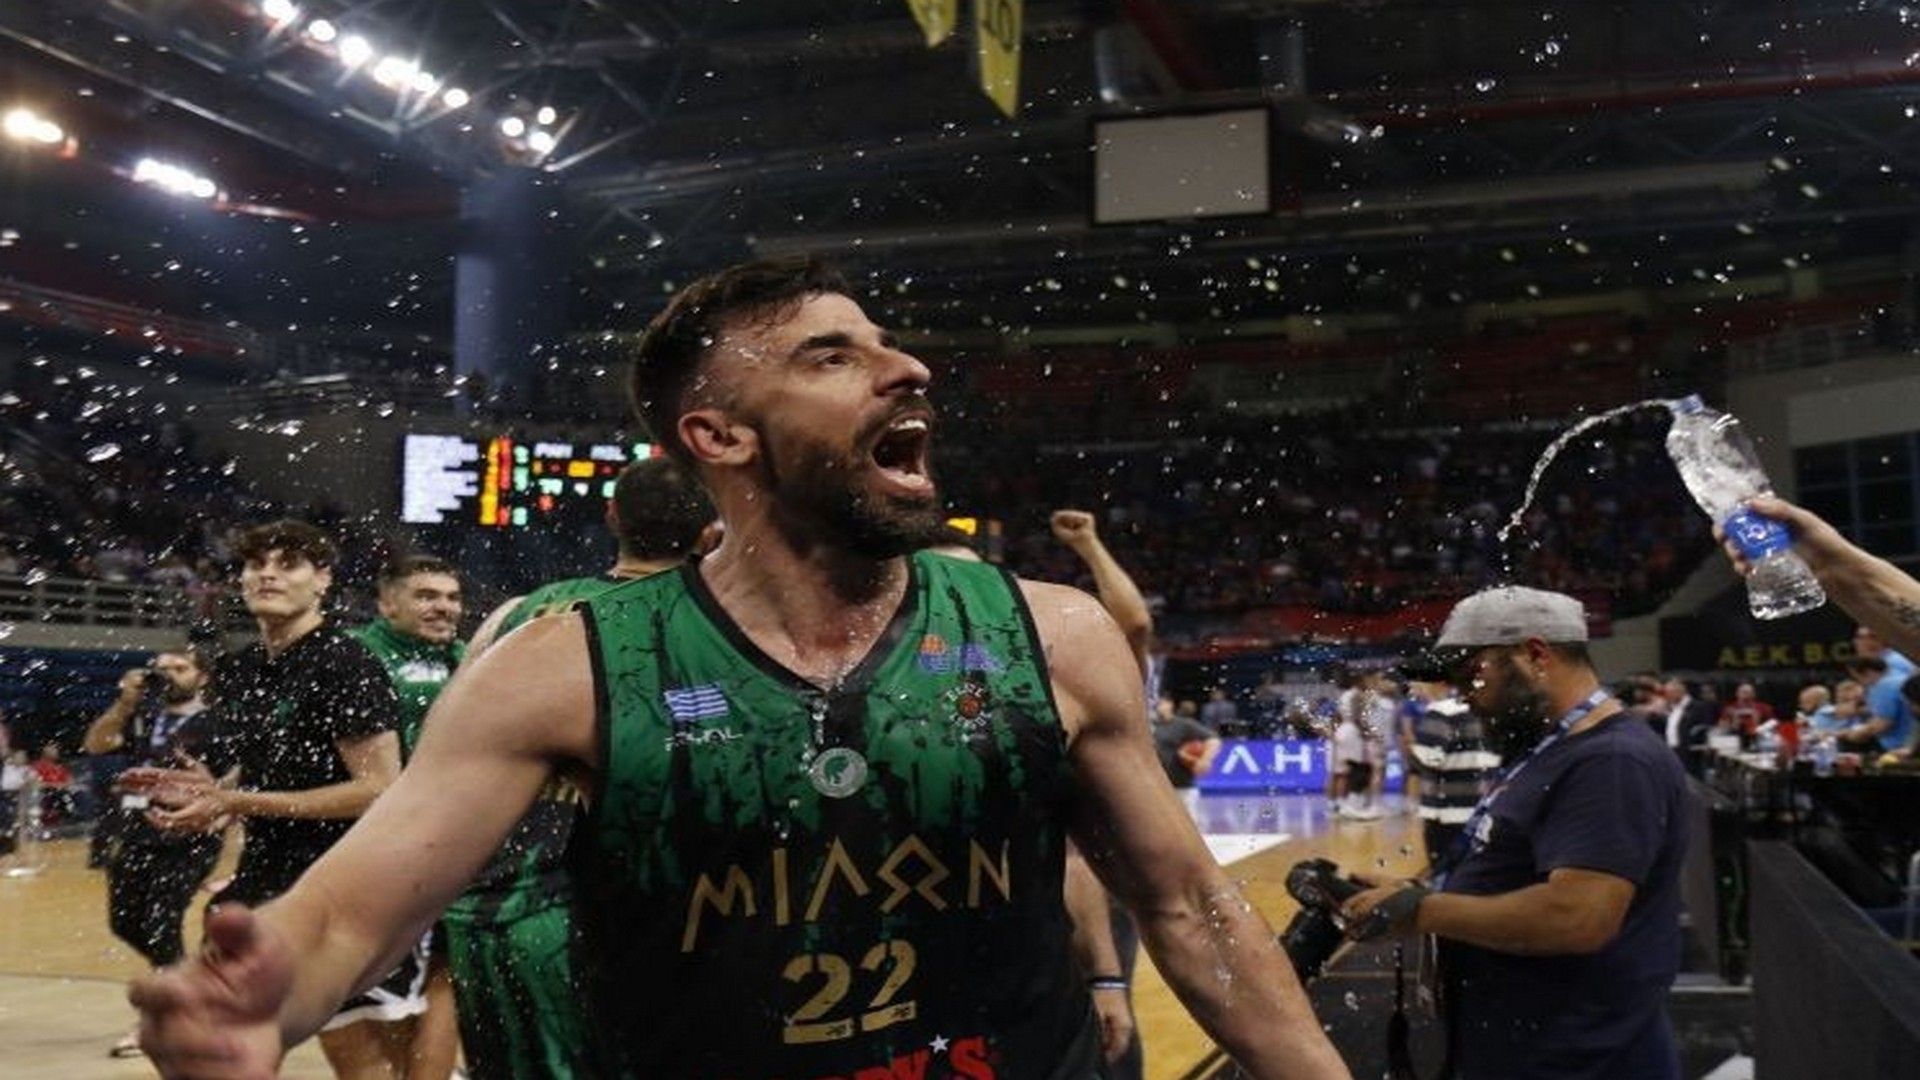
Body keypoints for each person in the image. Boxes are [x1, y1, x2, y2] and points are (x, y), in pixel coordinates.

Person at [125, 258, 1353, 1080]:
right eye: (831, 356)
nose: (907, 368)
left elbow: (1192, 908)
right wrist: (259, 1003)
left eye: (886, 344)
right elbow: (352, 910)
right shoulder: (565, 668)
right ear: (717, 436)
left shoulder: (1054, 634)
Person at [1343, 586, 1690, 1079]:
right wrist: (1413, 893)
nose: (1464, 695)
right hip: (1532, 1047)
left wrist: (1421, 911)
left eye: (1472, 674)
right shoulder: (1554, 751)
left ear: (1535, 655)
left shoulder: (1611, 761)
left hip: (1583, 1061)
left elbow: (1577, 917)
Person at [120, 519, 417, 1080]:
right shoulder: (241, 668)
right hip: (264, 879)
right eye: (257, 565)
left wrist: (238, 801)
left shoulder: (346, 662)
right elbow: (263, 771)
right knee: (222, 1051)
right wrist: (212, 793)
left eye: (288, 564)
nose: (268, 575)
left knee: (360, 1059)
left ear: (322, 579)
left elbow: (378, 790)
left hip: (342, 888)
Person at [445, 457, 711, 1080]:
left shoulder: (516, 614)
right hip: (612, 913)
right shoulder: (706, 628)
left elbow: (443, 756)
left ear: (612, 516)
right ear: (709, 533)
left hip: (487, 908)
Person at [1048, 506, 1156, 1080]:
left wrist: (1090, 546)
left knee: (1105, 1021)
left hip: (1084, 877)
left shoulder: (1083, 680)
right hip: (1029, 884)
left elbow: (1133, 625)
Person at [349, 555, 467, 1080]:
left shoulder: (471, 657)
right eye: (426, 596)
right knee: (379, 991)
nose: (444, 607)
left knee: (444, 974)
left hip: (457, 848)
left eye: (452, 597)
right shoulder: (355, 655)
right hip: (376, 851)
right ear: (386, 604)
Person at [83, 648, 222, 1059]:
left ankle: (166, 1015)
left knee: (161, 925)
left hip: (189, 836)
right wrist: (125, 703)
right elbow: (96, 744)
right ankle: (190, 987)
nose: (169, 675)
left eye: (180, 668)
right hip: (136, 833)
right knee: (124, 922)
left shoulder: (219, 722)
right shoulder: (140, 715)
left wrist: (218, 802)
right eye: (161, 669)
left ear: (202, 677)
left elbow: (238, 775)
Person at [1402, 677, 1496, 872]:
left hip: (1446, 812)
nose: (1416, 687)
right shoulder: (1484, 707)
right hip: (1481, 810)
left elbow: (1426, 760)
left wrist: (1408, 748)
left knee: (1444, 876)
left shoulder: (1441, 712)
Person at [1657, 678, 1715, 777]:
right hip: (1672, 751)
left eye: (1669, 693)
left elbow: (1706, 728)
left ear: (1680, 692)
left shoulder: (1698, 707)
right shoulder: (1671, 708)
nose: (1667, 697)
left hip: (1691, 753)